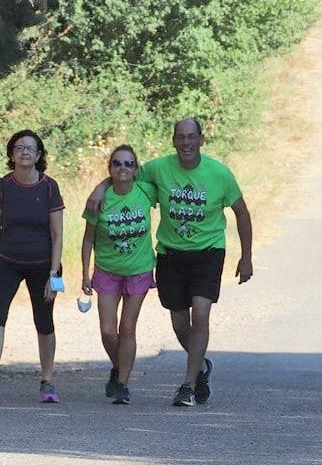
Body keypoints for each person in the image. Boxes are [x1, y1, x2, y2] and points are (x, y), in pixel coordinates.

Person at [87, 117, 253, 407]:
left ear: (201, 140)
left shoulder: (219, 173)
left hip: (207, 252)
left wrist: (247, 256)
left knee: (200, 314)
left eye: (191, 137)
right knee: (179, 323)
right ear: (174, 141)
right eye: (181, 137)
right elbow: (125, 175)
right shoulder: (159, 169)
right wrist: (100, 187)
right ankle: (201, 367)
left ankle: (188, 385)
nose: (186, 143)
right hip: (170, 254)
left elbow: (241, 212)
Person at [0, 130, 64, 404]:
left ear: (38, 155)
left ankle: (48, 381)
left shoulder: (49, 187)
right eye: (19, 147)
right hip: (7, 263)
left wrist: (54, 276)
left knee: (44, 320)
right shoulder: (2, 186)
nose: (25, 152)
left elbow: (58, 235)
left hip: (43, 265)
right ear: (11, 155)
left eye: (30, 148)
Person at [81, 145, 157, 404]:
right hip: (107, 270)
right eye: (116, 163)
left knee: (127, 327)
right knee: (107, 330)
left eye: (128, 164)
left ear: (136, 169)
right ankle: (120, 366)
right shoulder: (98, 200)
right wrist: (83, 273)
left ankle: (122, 384)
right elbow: (88, 239)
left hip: (139, 269)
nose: (122, 168)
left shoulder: (146, 190)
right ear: (109, 169)